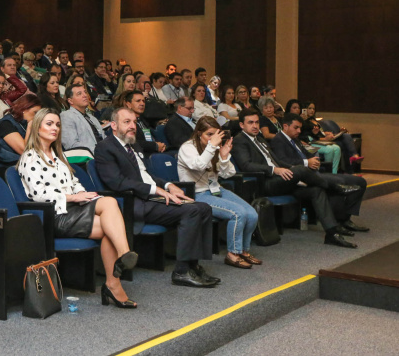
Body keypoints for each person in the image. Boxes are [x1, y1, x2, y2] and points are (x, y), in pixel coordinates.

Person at [19, 109, 139, 307]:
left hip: (73, 211)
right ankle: (122, 260)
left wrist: (84, 196)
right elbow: (38, 194)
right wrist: (73, 197)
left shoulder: (59, 157)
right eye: (49, 124)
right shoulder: (30, 157)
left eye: (57, 124)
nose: (55, 128)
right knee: (110, 208)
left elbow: (75, 184)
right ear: (37, 127)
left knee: (110, 222)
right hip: (55, 216)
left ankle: (113, 283)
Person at [95, 108, 218, 287]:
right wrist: (155, 190)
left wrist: (168, 185)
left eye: (134, 122)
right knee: (191, 211)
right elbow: (117, 183)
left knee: (203, 208)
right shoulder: (105, 148)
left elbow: (147, 175)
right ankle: (182, 271)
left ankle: (193, 265)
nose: (132, 126)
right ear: (113, 125)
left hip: (149, 197)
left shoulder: (134, 145)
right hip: (134, 202)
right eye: (126, 122)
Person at [231, 109, 364, 248]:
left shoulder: (259, 139)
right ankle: (336, 187)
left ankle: (332, 233)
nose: (255, 126)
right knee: (300, 169)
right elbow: (246, 165)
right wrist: (274, 170)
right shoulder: (240, 141)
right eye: (250, 123)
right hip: (266, 183)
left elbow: (278, 161)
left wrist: (290, 169)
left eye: (257, 122)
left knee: (316, 190)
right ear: (241, 125)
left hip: (282, 180)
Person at [177, 116, 260, 269]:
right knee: (238, 213)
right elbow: (198, 166)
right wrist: (212, 147)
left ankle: (243, 250)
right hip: (197, 193)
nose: (213, 138)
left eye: (216, 134)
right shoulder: (187, 148)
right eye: (209, 134)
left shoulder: (214, 148)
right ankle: (232, 254)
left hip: (216, 189)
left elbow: (229, 174)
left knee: (252, 213)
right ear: (198, 133)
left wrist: (223, 157)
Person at [271, 113, 367, 219]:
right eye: (296, 128)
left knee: (360, 182)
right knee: (339, 182)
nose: (299, 131)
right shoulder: (278, 140)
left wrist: (314, 159)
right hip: (301, 177)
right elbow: (283, 161)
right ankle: (341, 221)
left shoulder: (296, 139)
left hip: (314, 172)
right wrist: (307, 162)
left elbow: (308, 152)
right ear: (285, 126)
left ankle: (346, 217)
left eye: (300, 128)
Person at [0, 93, 42, 164]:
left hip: (28, 163)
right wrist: (30, 127)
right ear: (24, 109)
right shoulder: (6, 123)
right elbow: (24, 151)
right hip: (10, 165)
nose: (37, 117)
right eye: (35, 113)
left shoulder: (23, 124)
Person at [116, 90, 166, 156]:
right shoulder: (125, 122)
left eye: (143, 101)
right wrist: (155, 145)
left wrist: (161, 145)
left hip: (152, 152)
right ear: (128, 104)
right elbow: (132, 142)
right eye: (138, 101)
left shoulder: (143, 119)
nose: (142, 104)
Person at [60, 83, 106, 153]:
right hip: (89, 159)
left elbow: (103, 137)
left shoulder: (92, 118)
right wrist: (99, 152)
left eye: (85, 92)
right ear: (70, 100)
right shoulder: (66, 116)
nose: (85, 95)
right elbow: (72, 145)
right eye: (79, 94)